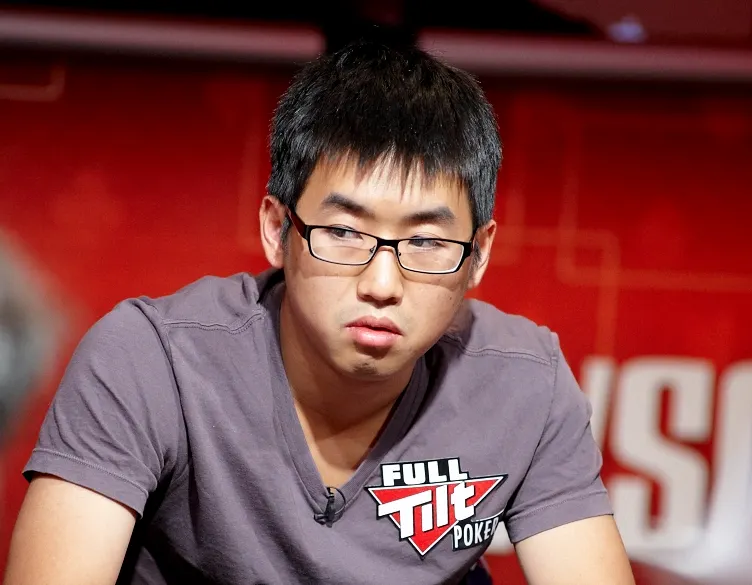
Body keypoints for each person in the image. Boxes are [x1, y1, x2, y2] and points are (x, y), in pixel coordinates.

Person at [3, 40, 635, 585]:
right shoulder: (152, 360)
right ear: (276, 229)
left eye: (426, 242)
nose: (382, 284)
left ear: (479, 254)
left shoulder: (525, 382)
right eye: (343, 232)